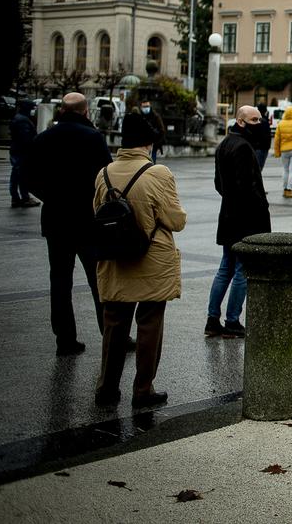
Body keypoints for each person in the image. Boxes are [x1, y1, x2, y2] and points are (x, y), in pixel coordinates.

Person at [92, 111, 187, 409]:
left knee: (114, 325)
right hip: (151, 260)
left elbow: (97, 212)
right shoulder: (158, 173)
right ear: (149, 142)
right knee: (148, 325)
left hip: (115, 257)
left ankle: (107, 389)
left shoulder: (104, 173)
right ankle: (143, 389)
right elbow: (175, 220)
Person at [25, 92, 113, 356]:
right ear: (86, 112)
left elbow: (28, 177)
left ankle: (65, 338)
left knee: (60, 281)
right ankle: (109, 332)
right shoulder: (93, 138)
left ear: (61, 111)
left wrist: (50, 197)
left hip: (56, 219)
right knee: (99, 281)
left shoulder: (44, 138)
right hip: (88, 221)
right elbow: (106, 177)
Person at [207, 106, 271, 338]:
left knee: (226, 267)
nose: (259, 123)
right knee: (242, 270)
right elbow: (247, 187)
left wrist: (230, 197)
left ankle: (212, 319)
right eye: (254, 120)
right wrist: (260, 209)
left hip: (228, 214)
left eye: (260, 119)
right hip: (245, 218)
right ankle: (232, 321)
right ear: (241, 122)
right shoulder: (243, 147)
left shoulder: (225, 143)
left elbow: (219, 184)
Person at [9, 100, 40, 208]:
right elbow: (26, 139)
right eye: (32, 109)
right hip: (22, 152)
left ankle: (18, 197)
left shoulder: (18, 118)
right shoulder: (23, 121)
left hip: (17, 150)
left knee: (18, 174)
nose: (33, 111)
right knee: (21, 175)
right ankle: (23, 198)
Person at [249, 104, 271, 170]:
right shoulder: (263, 121)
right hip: (261, 148)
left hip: (256, 147)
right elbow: (265, 136)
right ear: (265, 111)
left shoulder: (254, 120)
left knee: (255, 168)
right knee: (258, 169)